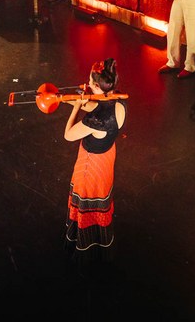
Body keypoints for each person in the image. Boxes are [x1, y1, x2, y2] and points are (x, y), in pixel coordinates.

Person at [63, 58, 126, 262]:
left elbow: (68, 135)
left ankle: (83, 245)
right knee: (101, 198)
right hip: (106, 158)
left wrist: (75, 108)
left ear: (97, 86)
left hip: (91, 164)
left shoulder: (96, 120)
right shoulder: (119, 101)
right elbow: (97, 107)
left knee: (86, 199)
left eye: (91, 82)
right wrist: (70, 100)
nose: (88, 83)